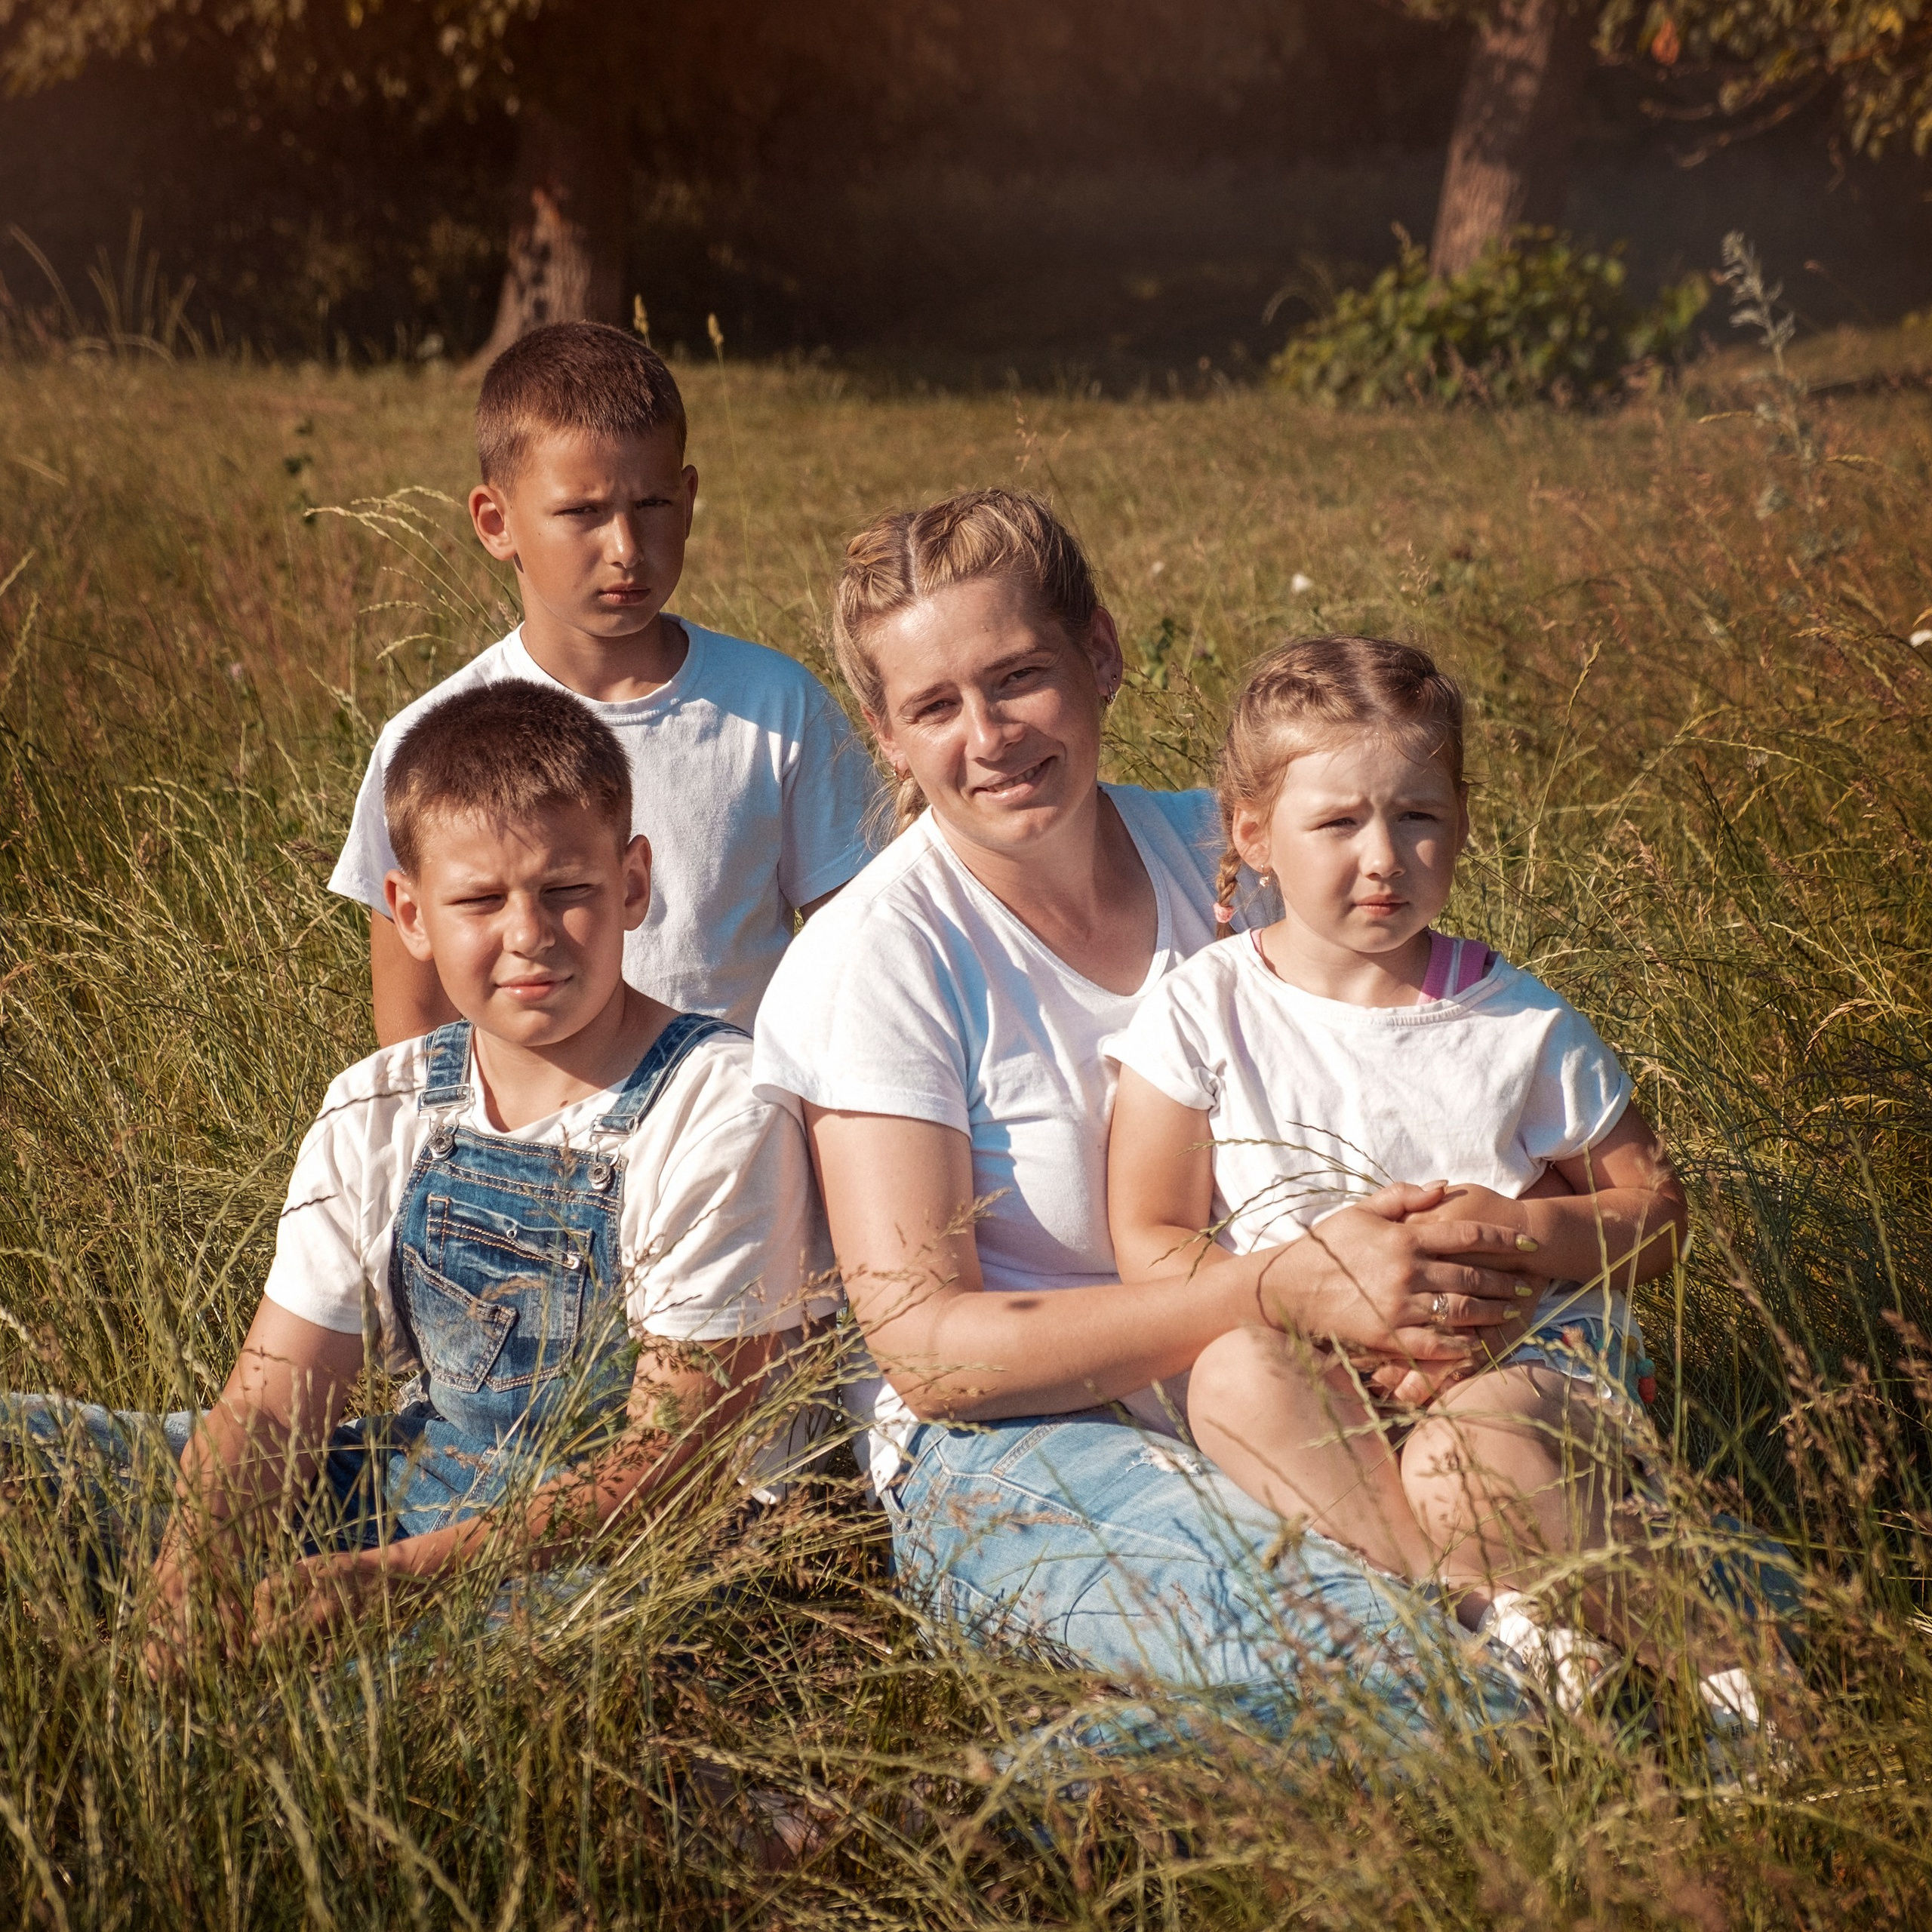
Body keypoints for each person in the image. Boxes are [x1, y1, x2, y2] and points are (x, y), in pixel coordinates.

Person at [753, 489, 1550, 1751]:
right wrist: (1279, 1288)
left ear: (1103, 654)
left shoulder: (1229, 859)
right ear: (887, 738)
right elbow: (930, 1352)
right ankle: (1041, 1808)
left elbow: (1431, 1070)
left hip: (1322, 1388)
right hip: (1015, 1450)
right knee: (1431, 1687)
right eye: (935, 707)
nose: (990, 735)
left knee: (1635, 1597)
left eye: (1020, 677)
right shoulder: (881, 959)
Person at [5, 679, 830, 1668]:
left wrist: (382, 1585)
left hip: (628, 1559)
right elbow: (272, 1407)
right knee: (29, 1453)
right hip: (421, 1473)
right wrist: (193, 1587)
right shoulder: (382, 1104)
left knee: (358, 1720)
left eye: (567, 889)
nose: (529, 935)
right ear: (409, 911)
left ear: (634, 882)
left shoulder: (715, 1103)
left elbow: (672, 1466)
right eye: (480, 899)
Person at [1103, 634, 1734, 1718]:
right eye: (1339, 822)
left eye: (1418, 817)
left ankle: (1732, 1671)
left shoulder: (1519, 1019)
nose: (1385, 857)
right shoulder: (1201, 1009)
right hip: (1319, 1356)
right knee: (1229, 1376)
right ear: (1254, 834)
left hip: (1529, 1352)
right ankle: (1494, 1623)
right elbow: (1150, 1237)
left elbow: (1657, 1215)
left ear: (1463, 823)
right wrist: (1314, 1299)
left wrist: (1521, 1237)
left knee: (1459, 1465)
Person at [330, 321, 882, 1044]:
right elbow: (413, 1026)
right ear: (496, 522)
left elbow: (868, 954)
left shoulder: (777, 707)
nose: (625, 548)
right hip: (518, 1141)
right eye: (582, 513)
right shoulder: (430, 740)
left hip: (735, 1124)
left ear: (686, 501)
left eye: (651, 507)